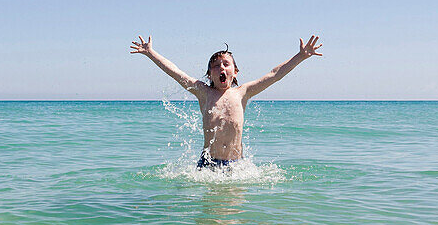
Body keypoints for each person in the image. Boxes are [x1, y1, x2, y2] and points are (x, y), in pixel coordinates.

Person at [129, 35, 322, 169]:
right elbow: (176, 72)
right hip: (208, 164)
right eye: (215, 66)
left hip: (236, 165)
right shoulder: (203, 93)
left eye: (226, 64)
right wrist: (150, 53)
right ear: (210, 74)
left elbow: (274, 75)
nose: (221, 67)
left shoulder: (242, 92)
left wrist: (300, 56)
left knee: (230, 217)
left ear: (235, 71)